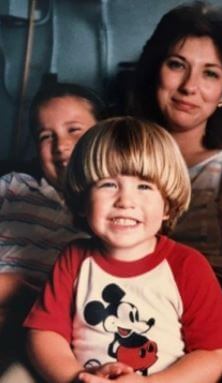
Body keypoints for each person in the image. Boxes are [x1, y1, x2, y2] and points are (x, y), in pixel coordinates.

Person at [24, 116, 222, 383]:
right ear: (82, 200)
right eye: (108, 184)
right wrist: (76, 377)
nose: (125, 201)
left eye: (144, 186)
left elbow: (213, 352)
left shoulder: (187, 265)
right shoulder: (74, 258)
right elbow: (44, 334)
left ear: (167, 205)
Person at [128, 1, 222, 299]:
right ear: (154, 71)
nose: (189, 86)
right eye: (177, 65)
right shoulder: (120, 156)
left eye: (210, 73)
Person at [0, 81, 104, 378]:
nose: (61, 146)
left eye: (74, 130)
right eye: (47, 136)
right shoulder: (13, 188)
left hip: (44, 334)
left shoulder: (113, 212)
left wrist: (20, 290)